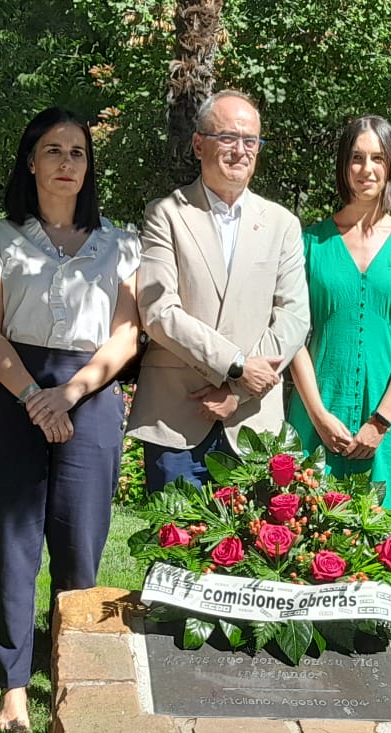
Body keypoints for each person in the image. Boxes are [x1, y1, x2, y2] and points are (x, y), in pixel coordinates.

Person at [0, 108, 142, 733]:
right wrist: (36, 394)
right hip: (14, 390)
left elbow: (126, 334)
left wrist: (71, 392)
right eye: (54, 151)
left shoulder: (119, 244)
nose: (67, 163)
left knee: (80, 541)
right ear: (31, 161)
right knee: (13, 544)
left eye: (78, 153)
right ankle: (13, 683)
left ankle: (73, 667)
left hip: (90, 395)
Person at [130, 89, 309, 492]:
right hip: (176, 419)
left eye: (251, 141)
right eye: (227, 137)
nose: (240, 150)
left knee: (253, 555)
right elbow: (158, 311)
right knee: (171, 554)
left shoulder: (282, 224)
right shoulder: (166, 214)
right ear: (198, 144)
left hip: (253, 423)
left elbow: (294, 317)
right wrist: (236, 363)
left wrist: (239, 390)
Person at [284, 115, 391, 523]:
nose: (366, 169)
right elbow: (294, 334)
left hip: (390, 426)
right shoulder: (310, 244)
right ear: (343, 166)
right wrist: (317, 415)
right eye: (356, 158)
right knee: (307, 540)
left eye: (377, 158)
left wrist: (380, 422)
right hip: (318, 413)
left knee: (390, 547)